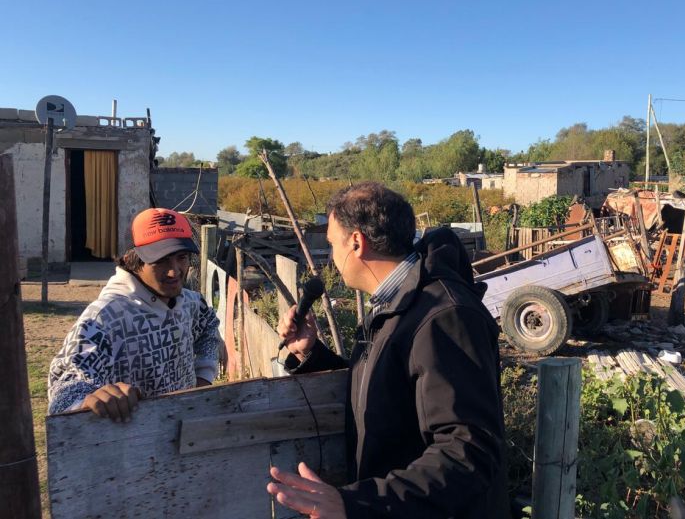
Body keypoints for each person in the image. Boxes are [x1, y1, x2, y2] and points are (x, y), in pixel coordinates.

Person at [267, 182, 509, 519]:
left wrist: (360, 503)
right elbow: (388, 396)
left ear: (356, 243)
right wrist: (311, 355)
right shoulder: (398, 304)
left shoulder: (442, 315)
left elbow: (468, 452)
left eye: (334, 244)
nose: (333, 257)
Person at [48, 208, 221, 422]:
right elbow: (62, 394)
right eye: (161, 260)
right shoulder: (104, 318)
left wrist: (203, 378)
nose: (174, 271)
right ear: (134, 258)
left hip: (184, 435)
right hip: (133, 446)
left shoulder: (191, 303)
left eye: (181, 257)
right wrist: (86, 401)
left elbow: (209, 328)